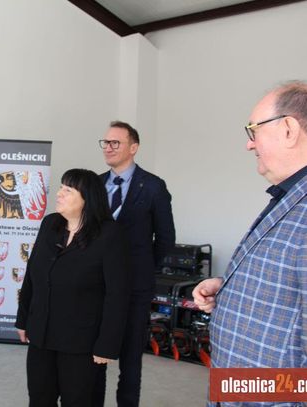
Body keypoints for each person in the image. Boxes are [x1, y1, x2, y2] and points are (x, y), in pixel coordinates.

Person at [193, 81, 307, 406]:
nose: (249, 144)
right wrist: (231, 287)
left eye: (253, 130)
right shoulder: (291, 196)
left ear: (288, 129)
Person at [15, 168, 131, 407]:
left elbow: (117, 295)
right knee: (39, 398)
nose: (59, 194)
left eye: (68, 190)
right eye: (61, 188)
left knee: (79, 400)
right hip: (41, 334)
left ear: (88, 198)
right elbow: (32, 276)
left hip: (82, 342)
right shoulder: (50, 224)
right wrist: (23, 319)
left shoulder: (109, 234)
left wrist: (108, 344)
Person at [93, 121, 175, 407]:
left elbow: (165, 238)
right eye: (105, 142)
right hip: (96, 285)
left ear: (133, 147)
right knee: (95, 354)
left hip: (135, 286)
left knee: (130, 359)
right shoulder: (95, 185)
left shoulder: (153, 186)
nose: (108, 148)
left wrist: (142, 267)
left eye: (115, 143)